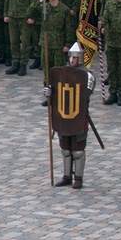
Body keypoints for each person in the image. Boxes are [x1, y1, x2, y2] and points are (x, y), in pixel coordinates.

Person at [43, 43, 95, 189]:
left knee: (78, 151)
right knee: (65, 149)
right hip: (63, 116)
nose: (73, 60)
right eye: (71, 57)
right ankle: (66, 176)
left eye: (75, 57)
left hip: (78, 116)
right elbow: (55, 90)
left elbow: (86, 94)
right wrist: (49, 92)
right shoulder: (62, 74)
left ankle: (78, 178)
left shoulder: (87, 75)